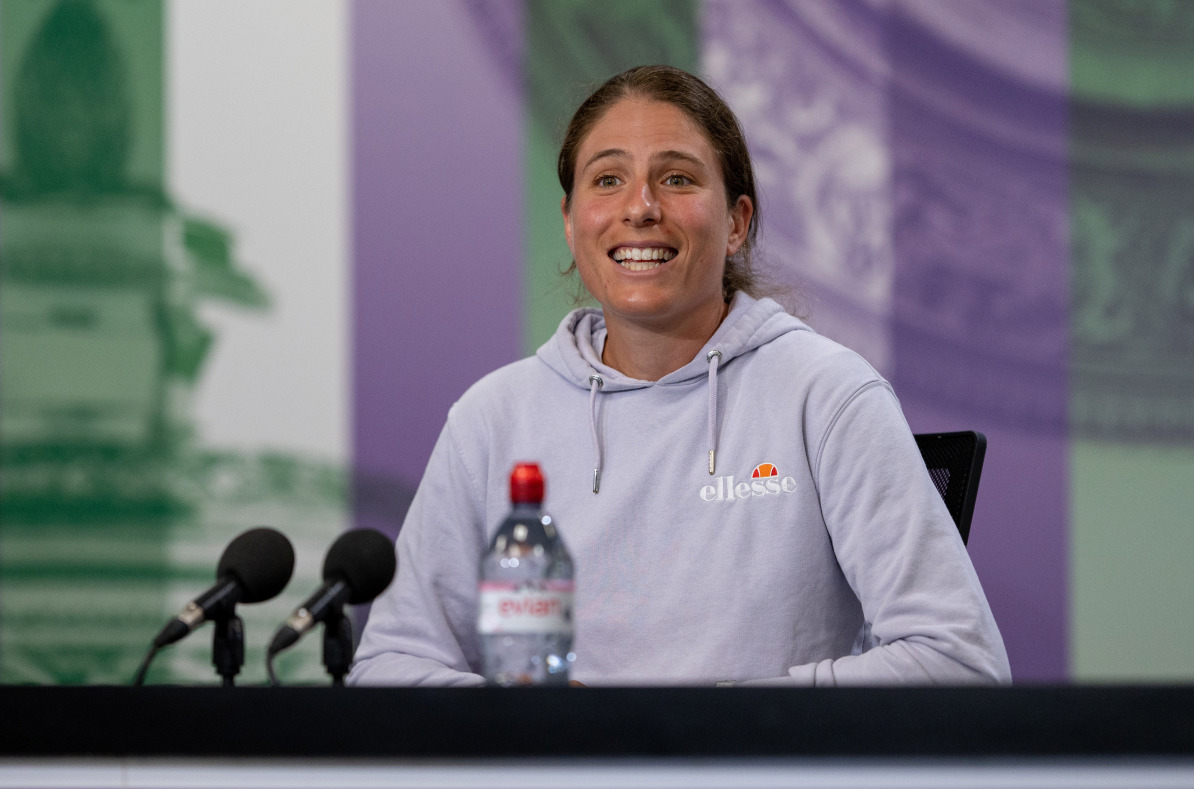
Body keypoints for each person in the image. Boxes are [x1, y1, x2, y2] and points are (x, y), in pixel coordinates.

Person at [348, 65, 1010, 686]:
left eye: (677, 178)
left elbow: (957, 658)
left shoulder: (826, 394)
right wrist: (541, 724)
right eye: (607, 179)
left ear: (736, 224)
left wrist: (710, 722)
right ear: (573, 224)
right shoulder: (492, 418)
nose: (640, 207)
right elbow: (390, 663)